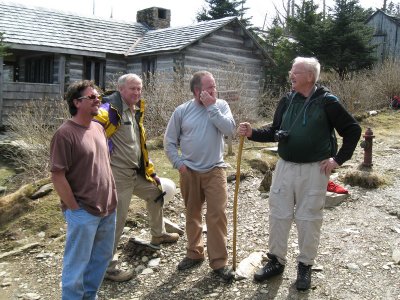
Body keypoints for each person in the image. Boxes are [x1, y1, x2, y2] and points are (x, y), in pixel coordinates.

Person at [238, 57, 361, 290]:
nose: (291, 76)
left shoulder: (328, 102)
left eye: (296, 72)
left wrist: (338, 160)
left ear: (310, 77)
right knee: (278, 213)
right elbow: (275, 131)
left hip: (315, 170)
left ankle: (305, 266)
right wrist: (252, 132)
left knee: (309, 218)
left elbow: (353, 130)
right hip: (285, 166)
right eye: (291, 71)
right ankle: (276, 261)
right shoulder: (286, 99)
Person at [93, 73, 179, 282]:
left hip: (136, 173)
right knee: (116, 221)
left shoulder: (135, 110)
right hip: (117, 176)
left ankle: (158, 234)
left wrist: (149, 171)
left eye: (139, 88)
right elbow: (95, 121)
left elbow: (138, 146)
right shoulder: (110, 109)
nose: (137, 92)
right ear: (120, 89)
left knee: (157, 193)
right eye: (132, 88)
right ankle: (107, 268)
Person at [164, 70, 236, 282]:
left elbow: (229, 129)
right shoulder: (182, 110)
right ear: (197, 91)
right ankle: (194, 253)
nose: (214, 90)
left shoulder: (220, 106)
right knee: (192, 213)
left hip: (215, 169)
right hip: (190, 172)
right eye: (209, 87)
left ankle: (219, 262)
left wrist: (211, 106)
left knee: (217, 215)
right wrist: (178, 164)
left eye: (214, 86)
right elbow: (169, 141)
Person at [50, 80, 117, 299]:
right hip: (84, 211)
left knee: (101, 258)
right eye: (92, 97)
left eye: (98, 96)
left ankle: (89, 297)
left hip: (108, 208)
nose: (98, 99)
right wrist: (74, 208)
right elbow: (57, 175)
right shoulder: (64, 134)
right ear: (77, 102)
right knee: (76, 264)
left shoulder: (98, 127)